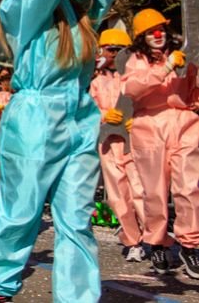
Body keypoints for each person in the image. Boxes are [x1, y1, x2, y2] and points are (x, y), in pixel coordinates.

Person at [0, 0, 135, 302]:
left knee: (75, 219)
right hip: (32, 121)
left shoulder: (78, 12)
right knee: (21, 212)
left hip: (79, 118)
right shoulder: (17, 10)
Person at [122, 9, 199, 278]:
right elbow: (133, 88)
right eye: (151, 31)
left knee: (189, 187)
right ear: (141, 37)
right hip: (149, 126)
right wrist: (165, 68)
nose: (158, 34)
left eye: (161, 29)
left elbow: (193, 86)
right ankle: (156, 241)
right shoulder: (136, 60)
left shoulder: (184, 55)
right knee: (154, 190)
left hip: (184, 122)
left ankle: (190, 245)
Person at [89, 28, 146, 263]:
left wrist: (140, 120)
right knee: (117, 196)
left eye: (117, 50)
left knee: (141, 190)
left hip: (135, 142)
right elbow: (88, 110)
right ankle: (134, 241)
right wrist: (103, 115)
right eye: (109, 49)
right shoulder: (96, 82)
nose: (111, 54)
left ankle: (155, 239)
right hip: (107, 143)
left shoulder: (135, 77)